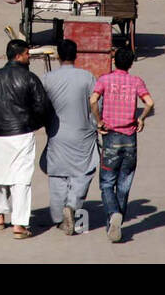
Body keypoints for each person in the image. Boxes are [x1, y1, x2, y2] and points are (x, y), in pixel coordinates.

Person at [0, 39, 49, 239]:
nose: (29, 58)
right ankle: (19, 224)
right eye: (27, 54)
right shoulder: (30, 78)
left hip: (0, 134)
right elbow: (41, 107)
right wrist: (33, 124)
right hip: (22, 134)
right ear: (18, 56)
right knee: (21, 179)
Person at [90, 45, 154, 243]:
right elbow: (149, 102)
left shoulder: (105, 80)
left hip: (110, 137)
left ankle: (113, 215)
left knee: (107, 183)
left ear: (114, 61)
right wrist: (141, 118)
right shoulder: (136, 81)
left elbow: (93, 100)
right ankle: (116, 223)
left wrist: (99, 120)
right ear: (131, 64)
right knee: (124, 182)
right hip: (130, 138)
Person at [40, 39, 98, 235]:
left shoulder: (47, 78)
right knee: (84, 172)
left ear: (57, 55)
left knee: (57, 175)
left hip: (57, 134)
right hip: (82, 134)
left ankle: (59, 217)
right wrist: (95, 125)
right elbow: (96, 104)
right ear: (76, 56)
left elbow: (40, 106)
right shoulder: (87, 77)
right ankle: (72, 205)